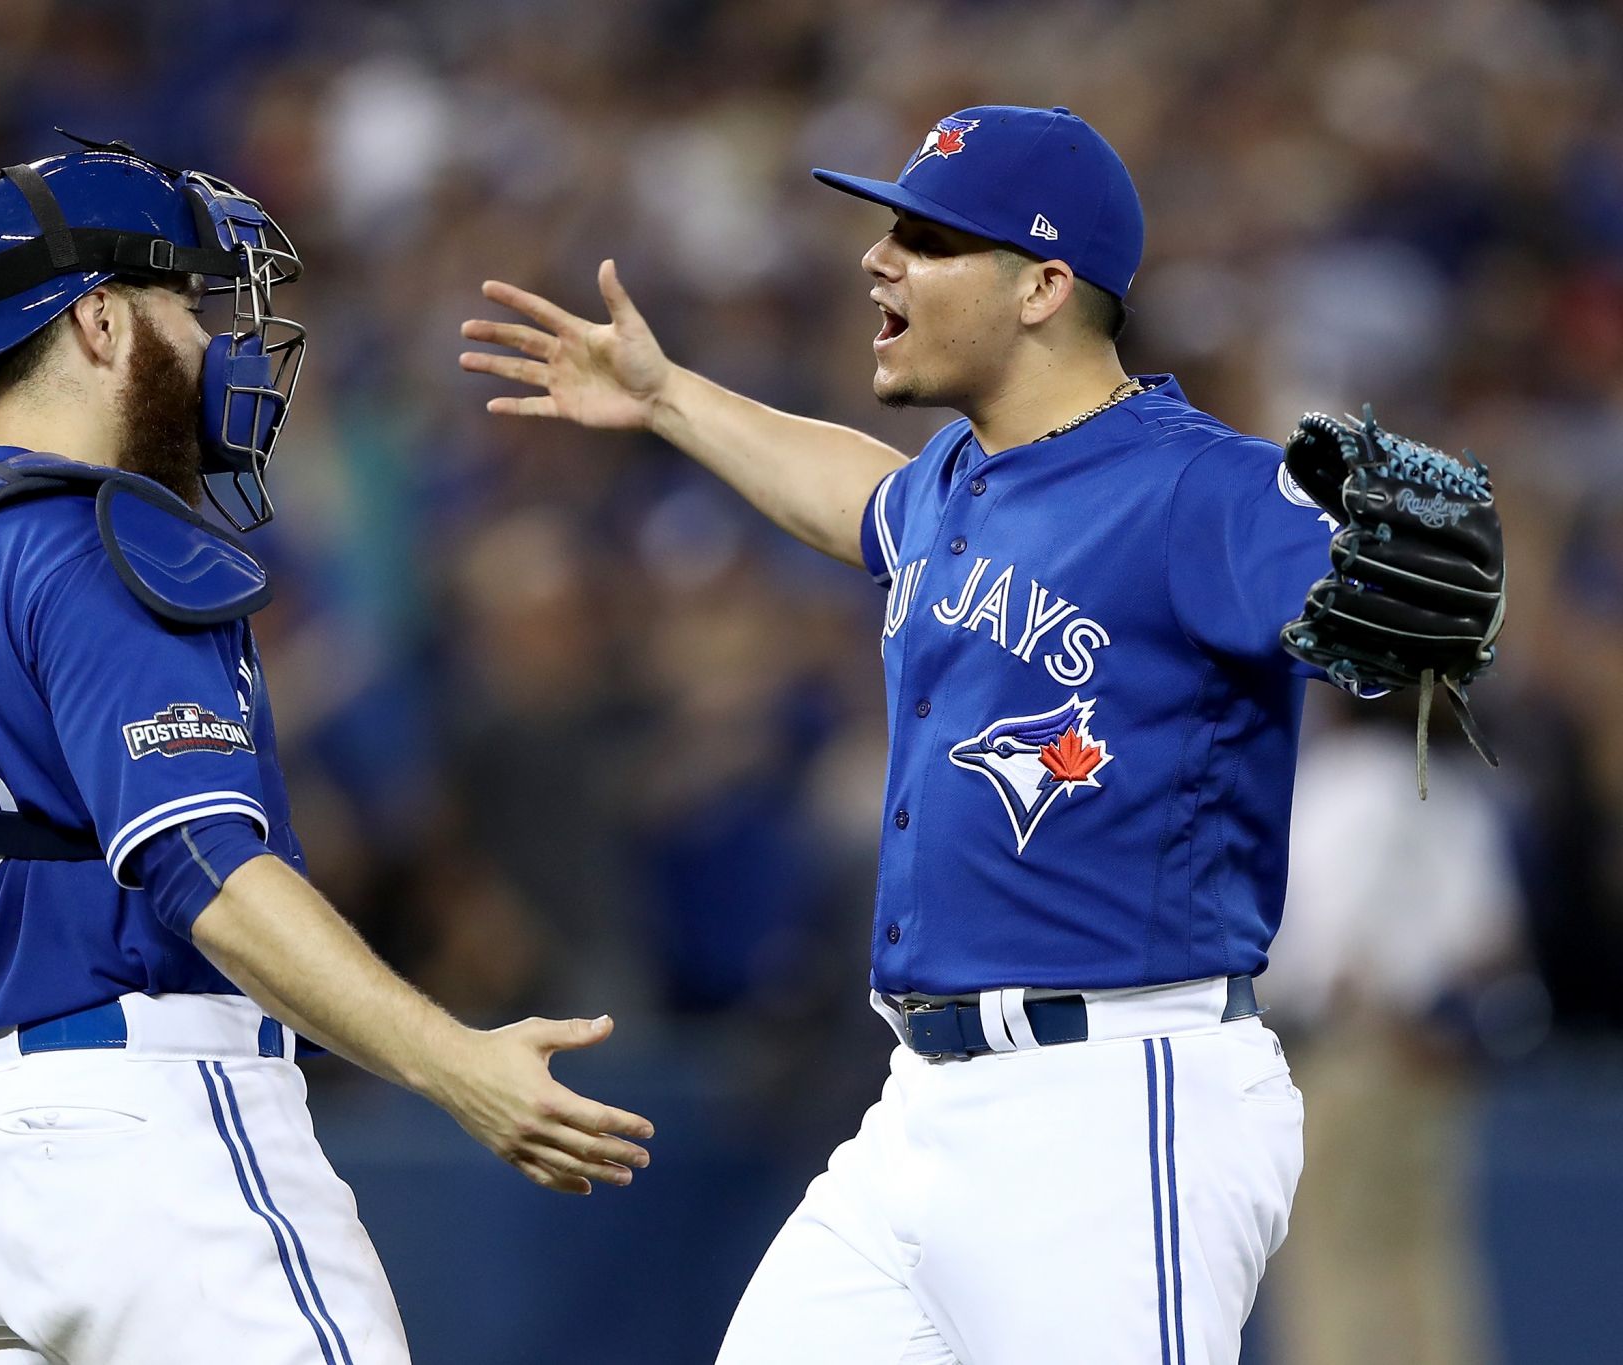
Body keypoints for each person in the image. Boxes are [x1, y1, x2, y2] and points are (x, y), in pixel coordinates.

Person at [461, 104, 1359, 1363]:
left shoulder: (1193, 485)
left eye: (928, 239)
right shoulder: (953, 480)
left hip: (1114, 1094)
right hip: (919, 1103)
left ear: (1044, 284)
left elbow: (1385, 597)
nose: (877, 259)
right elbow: (854, 497)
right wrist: (667, 400)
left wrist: (1405, 593)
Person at [0, 139, 652, 1365]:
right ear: (100, 321)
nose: (219, 344)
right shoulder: (96, 537)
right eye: (185, 304)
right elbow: (202, 872)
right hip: (151, 1139)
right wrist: (455, 1064)